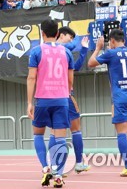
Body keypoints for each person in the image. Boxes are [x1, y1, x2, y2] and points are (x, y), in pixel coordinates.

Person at [27, 19, 74, 188]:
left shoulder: (36, 51)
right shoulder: (66, 52)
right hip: (62, 99)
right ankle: (59, 174)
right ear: (57, 34)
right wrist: (66, 93)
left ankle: (46, 167)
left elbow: (32, 77)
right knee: (60, 139)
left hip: (42, 99)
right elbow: (70, 79)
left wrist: (29, 102)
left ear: (42, 33)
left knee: (38, 134)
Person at [88, 29, 127, 177]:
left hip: (120, 97)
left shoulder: (111, 53)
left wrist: (98, 48)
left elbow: (91, 63)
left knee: (121, 132)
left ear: (111, 41)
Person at [53, 27, 91, 175]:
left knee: (55, 133)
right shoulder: (60, 48)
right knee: (75, 129)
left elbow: (76, 67)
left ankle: (54, 167)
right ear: (60, 35)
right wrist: (80, 43)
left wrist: (83, 50)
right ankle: (78, 163)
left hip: (49, 96)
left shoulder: (44, 51)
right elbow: (68, 45)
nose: (71, 40)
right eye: (70, 37)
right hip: (65, 94)